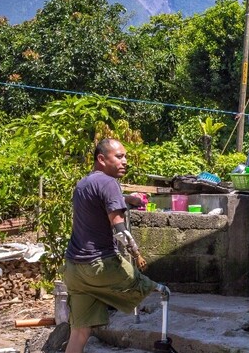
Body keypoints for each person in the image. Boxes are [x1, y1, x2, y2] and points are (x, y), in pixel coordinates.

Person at [63, 138, 170, 353]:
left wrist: (127, 199)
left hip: (74, 269)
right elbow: (120, 228)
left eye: (125, 157)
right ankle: (161, 298)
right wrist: (136, 252)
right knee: (157, 290)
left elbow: (99, 201)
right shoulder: (109, 183)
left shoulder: (84, 183)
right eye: (119, 156)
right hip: (100, 265)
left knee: (80, 331)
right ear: (101, 159)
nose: (125, 161)